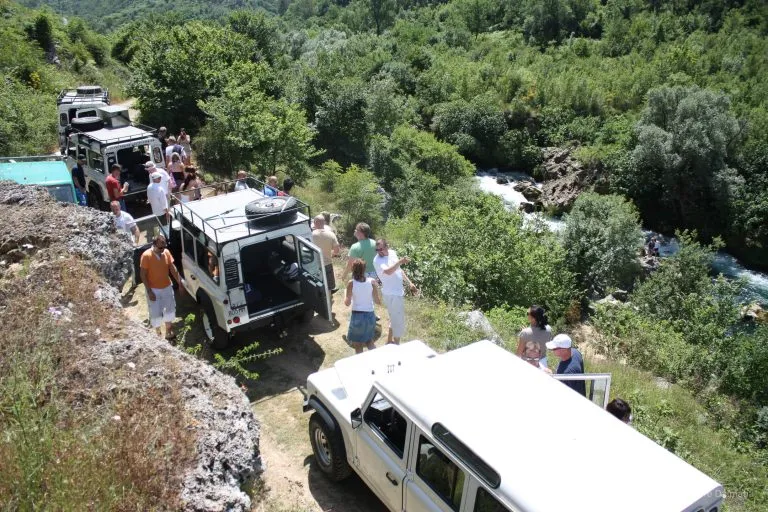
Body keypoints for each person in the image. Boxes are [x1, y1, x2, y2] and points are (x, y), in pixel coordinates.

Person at [373, 239, 417, 345]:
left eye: (381, 249)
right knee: (398, 320)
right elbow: (388, 271)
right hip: (391, 294)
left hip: (398, 292)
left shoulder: (392, 253)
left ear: (387, 246)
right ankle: (397, 344)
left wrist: (409, 283)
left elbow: (399, 270)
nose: (379, 251)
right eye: (377, 249)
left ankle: (389, 341)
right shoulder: (377, 260)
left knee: (394, 317)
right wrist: (400, 261)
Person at [140, 234, 184, 340]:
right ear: (154, 245)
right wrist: (149, 291)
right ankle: (158, 334)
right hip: (153, 289)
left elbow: (172, 268)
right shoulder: (146, 256)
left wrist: (180, 282)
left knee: (170, 309)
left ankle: (169, 331)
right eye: (160, 248)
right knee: (155, 312)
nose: (162, 249)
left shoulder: (166, 252)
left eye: (164, 247)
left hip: (167, 287)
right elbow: (143, 275)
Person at [345, 259, 381, 353]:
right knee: (369, 341)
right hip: (370, 315)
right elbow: (377, 301)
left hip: (358, 316)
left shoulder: (351, 283)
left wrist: (346, 297)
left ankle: (361, 365)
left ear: (353, 270)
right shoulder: (371, 281)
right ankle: (377, 360)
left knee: (358, 345)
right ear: (364, 269)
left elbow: (347, 303)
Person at [516, 305, 552, 369]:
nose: (527, 315)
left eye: (528, 313)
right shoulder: (549, 329)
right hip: (542, 364)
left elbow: (519, 353)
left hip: (529, 363)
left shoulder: (525, 333)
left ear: (533, 318)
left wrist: (523, 334)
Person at [312, 214, 340, 292]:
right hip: (327, 262)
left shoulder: (311, 235)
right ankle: (330, 292)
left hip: (315, 264)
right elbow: (337, 250)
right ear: (324, 222)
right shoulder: (331, 234)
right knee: (329, 283)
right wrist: (332, 255)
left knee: (317, 281)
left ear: (314, 223)